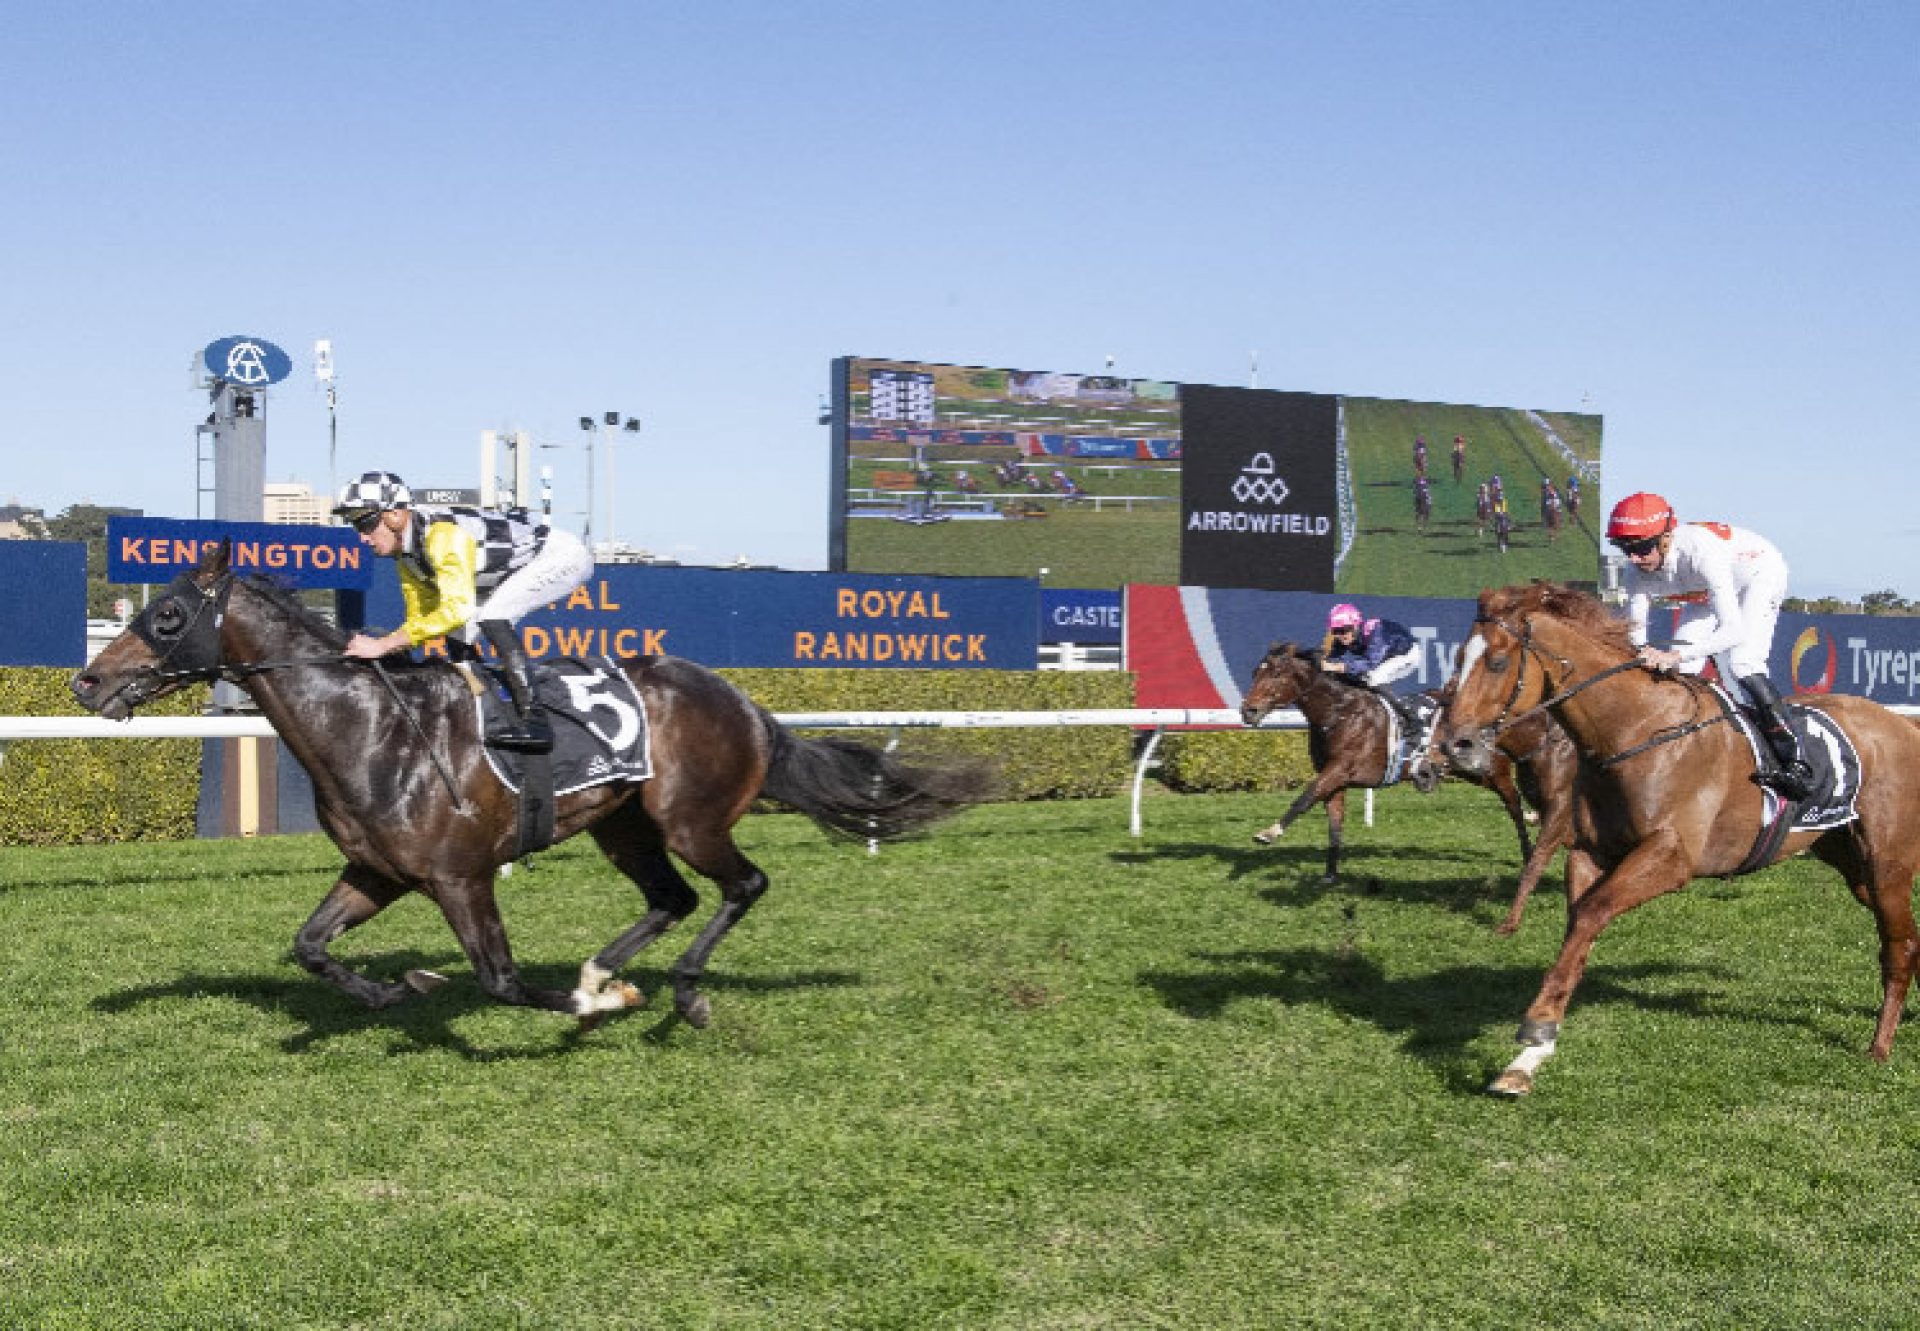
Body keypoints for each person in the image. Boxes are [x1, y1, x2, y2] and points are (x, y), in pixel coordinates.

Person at [333, 470, 595, 754]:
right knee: (460, 635)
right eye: (354, 525)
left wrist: (384, 644)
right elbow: (422, 618)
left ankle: (536, 721)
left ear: (395, 515)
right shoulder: (405, 555)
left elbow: (456, 609)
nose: (362, 537)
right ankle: (482, 706)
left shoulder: (442, 535)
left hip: (560, 556)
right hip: (509, 569)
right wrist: (392, 646)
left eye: (366, 523)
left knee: (492, 615)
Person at [1607, 490, 1815, 800]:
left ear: (1666, 538)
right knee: (1682, 668)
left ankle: (1797, 761)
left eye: (1642, 547)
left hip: (1757, 574)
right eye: (1625, 548)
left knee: (1743, 663)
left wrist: (1673, 653)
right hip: (1704, 593)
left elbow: (1733, 631)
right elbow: (1634, 631)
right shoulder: (1636, 570)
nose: (1634, 558)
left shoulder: (1702, 552)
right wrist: (1646, 654)